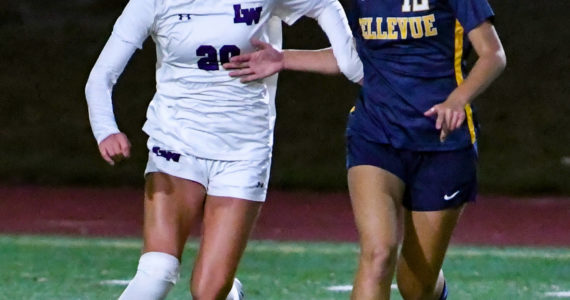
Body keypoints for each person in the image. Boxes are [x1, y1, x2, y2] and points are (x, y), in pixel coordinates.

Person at [224, 0, 506, 298]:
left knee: (417, 286)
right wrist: (283, 59)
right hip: (375, 135)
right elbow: (354, 58)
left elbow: (493, 54)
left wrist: (457, 99)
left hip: (441, 144)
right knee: (378, 253)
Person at [84, 0, 362, 299]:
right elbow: (100, 78)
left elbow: (325, 4)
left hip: (244, 150)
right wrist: (106, 130)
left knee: (208, 291)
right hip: (176, 140)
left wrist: (324, 59)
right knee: (156, 273)